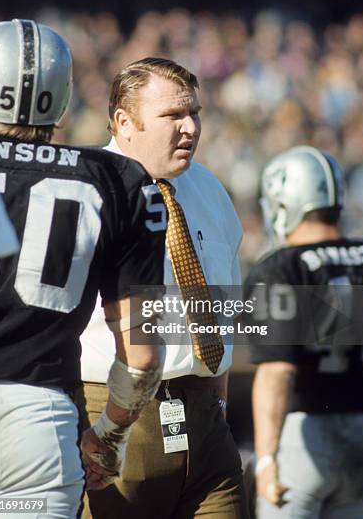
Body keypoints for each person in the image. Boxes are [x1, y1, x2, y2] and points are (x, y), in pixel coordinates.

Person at [0, 20, 166, 518]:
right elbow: (143, 355)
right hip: (37, 435)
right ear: (62, 95)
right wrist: (110, 437)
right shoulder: (116, 179)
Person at [79, 57, 248, 518]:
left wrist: (216, 403)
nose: (189, 128)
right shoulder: (86, 189)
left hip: (203, 419)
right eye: (172, 116)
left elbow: (222, 308)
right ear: (124, 121)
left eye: (194, 113)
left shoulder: (209, 187)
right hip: (113, 417)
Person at [244, 145, 363, 518]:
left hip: (304, 437)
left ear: (286, 202)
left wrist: (267, 458)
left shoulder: (282, 266)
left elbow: (277, 370)